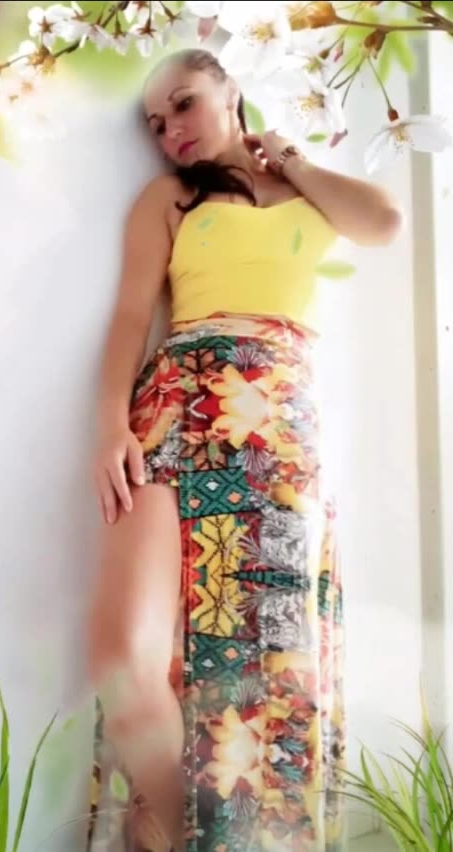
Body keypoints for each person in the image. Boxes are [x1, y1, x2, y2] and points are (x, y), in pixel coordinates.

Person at [85, 47, 403, 852]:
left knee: (267, 671)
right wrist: (110, 425)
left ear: (230, 92)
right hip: (174, 410)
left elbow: (384, 222)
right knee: (124, 655)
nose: (170, 131)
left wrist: (289, 159)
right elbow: (130, 317)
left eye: (183, 104)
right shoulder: (169, 198)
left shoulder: (305, 191)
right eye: (155, 123)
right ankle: (180, 832)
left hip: (281, 433)